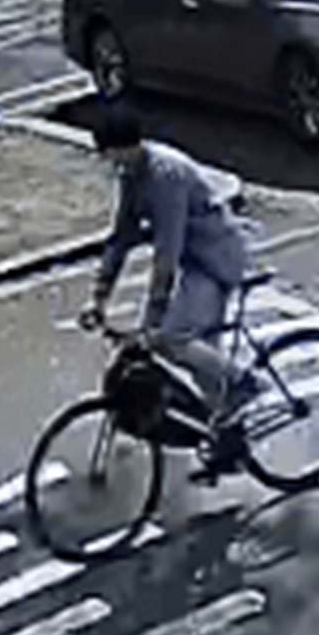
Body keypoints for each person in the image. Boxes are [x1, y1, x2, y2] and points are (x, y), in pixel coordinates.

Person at [79, 105, 264, 419]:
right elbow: (121, 237)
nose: (108, 162)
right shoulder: (132, 175)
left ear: (127, 147)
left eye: (109, 153)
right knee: (201, 358)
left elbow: (168, 249)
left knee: (173, 339)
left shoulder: (166, 176)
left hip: (214, 260)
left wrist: (154, 315)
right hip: (194, 262)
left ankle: (246, 383)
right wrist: (98, 297)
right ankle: (228, 432)